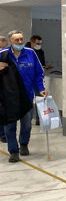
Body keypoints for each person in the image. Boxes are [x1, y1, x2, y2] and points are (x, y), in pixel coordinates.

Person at [1, 30, 46, 162]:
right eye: (17, 40)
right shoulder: (3, 54)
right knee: (9, 125)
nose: (20, 42)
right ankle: (13, 151)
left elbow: (39, 73)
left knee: (26, 124)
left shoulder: (30, 53)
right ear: (10, 41)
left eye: (21, 39)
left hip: (27, 95)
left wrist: (41, 89)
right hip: (9, 97)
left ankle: (24, 143)